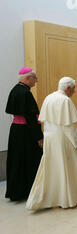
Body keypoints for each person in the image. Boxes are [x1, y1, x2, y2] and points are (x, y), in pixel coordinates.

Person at [26, 77, 77, 210]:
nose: (74, 91)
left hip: (50, 138)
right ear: (68, 88)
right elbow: (68, 126)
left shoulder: (49, 97)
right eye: (73, 88)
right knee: (65, 167)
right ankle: (67, 199)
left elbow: (45, 120)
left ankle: (52, 197)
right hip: (63, 139)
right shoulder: (65, 100)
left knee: (53, 168)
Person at [5, 67, 43, 201]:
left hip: (16, 130)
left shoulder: (15, 89)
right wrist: (39, 137)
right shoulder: (26, 93)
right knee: (30, 160)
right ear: (28, 78)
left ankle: (16, 191)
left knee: (16, 160)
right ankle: (28, 191)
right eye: (35, 78)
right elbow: (32, 117)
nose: (36, 81)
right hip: (27, 132)